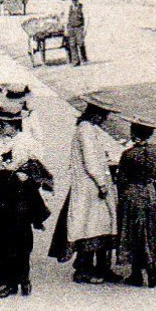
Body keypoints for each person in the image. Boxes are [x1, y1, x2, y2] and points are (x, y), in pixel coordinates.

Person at [0, 101, 50, 298]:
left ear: (16, 124)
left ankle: (23, 278)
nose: (0, 126)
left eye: (5, 123)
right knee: (0, 237)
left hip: (21, 193)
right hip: (1, 191)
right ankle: (5, 281)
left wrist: (28, 175)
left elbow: (40, 167)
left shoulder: (27, 141)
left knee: (21, 236)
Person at [49, 101, 121, 284]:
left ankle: (100, 267)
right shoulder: (86, 130)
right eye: (103, 116)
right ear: (95, 114)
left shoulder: (88, 129)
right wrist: (102, 184)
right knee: (90, 226)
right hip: (90, 188)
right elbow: (91, 161)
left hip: (90, 186)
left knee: (95, 225)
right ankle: (84, 269)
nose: (104, 120)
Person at [117, 118, 156, 288]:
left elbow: (121, 179)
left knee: (135, 233)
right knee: (149, 230)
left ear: (134, 133)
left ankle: (141, 272)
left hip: (133, 194)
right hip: (149, 192)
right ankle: (149, 270)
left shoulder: (128, 154)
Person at [65, 0, 88, 66]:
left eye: (75, 0)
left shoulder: (82, 7)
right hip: (71, 27)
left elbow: (87, 18)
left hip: (79, 27)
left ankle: (83, 57)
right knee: (72, 44)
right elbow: (66, 19)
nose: (74, 2)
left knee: (80, 43)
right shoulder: (69, 7)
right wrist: (66, 29)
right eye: (73, 0)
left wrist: (85, 29)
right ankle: (76, 61)